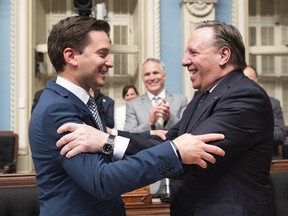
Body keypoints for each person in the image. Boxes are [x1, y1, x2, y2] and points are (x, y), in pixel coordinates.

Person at [57, 20, 275, 216]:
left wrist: (107, 143)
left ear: (223, 55)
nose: (184, 61)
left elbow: (192, 157)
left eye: (193, 53)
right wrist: (110, 135)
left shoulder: (245, 95)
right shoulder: (204, 95)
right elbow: (167, 140)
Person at [28, 16, 225, 216]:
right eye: (102, 54)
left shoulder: (79, 102)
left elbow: (105, 153)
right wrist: (174, 152)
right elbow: (102, 180)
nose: (111, 63)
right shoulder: (57, 109)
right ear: (71, 56)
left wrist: (148, 139)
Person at [124, 58, 188, 132]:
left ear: (164, 76)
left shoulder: (181, 100)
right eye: (147, 74)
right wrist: (149, 123)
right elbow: (128, 135)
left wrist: (169, 118)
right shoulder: (132, 105)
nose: (152, 78)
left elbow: (186, 130)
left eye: (155, 73)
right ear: (143, 78)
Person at [244, 65, 286, 158]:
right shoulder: (229, 103)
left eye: (250, 81)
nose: (245, 85)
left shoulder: (273, 104)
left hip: (267, 160)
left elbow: (280, 137)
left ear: (258, 82)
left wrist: (253, 126)